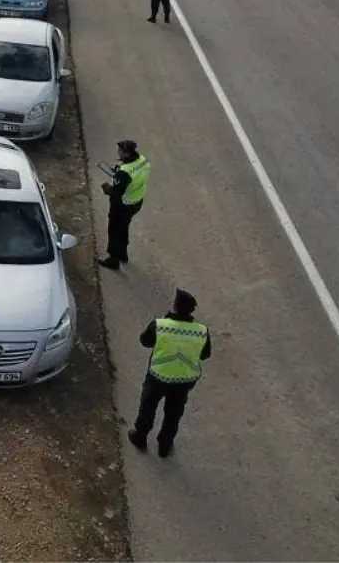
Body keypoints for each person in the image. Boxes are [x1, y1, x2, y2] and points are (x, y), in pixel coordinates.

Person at [128, 288, 212, 458]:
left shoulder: (160, 325)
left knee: (148, 405)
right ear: (192, 311)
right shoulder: (201, 331)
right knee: (174, 412)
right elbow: (205, 354)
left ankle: (141, 436)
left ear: (175, 306)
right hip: (184, 380)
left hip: (158, 376)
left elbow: (145, 341)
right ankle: (165, 445)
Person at [97, 139, 150, 270]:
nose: (118, 153)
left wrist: (107, 188)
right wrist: (120, 171)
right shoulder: (142, 160)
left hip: (123, 205)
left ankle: (113, 259)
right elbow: (134, 175)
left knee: (115, 230)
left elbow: (116, 192)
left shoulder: (124, 173)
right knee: (124, 227)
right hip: (137, 201)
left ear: (126, 153)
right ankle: (122, 254)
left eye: (120, 151)